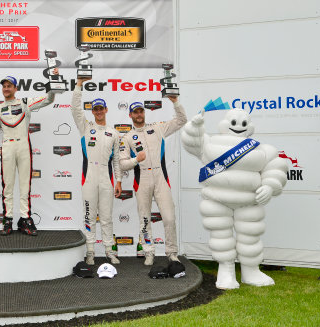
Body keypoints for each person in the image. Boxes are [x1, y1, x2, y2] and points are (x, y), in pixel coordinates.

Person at [181, 108, 288, 289]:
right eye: (234, 122)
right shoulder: (210, 144)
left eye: (244, 123)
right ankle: (226, 269)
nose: (238, 126)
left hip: (249, 200)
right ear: (224, 124)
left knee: (250, 235)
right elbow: (192, 142)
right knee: (220, 235)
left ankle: (251, 269)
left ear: (250, 126)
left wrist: (270, 185)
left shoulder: (261, 149)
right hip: (217, 199)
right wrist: (194, 126)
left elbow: (276, 167)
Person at [119, 96, 187, 266]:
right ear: (130, 115)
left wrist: (175, 102)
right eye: (135, 112)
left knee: (169, 217)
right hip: (142, 178)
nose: (139, 114)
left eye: (141, 111)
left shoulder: (158, 128)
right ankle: (149, 252)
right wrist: (136, 160)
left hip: (160, 177)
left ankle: (171, 252)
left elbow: (182, 120)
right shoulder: (127, 137)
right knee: (144, 219)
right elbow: (122, 164)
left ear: (144, 113)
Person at [0, 74, 56, 236]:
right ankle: (7, 219)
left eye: (10, 86)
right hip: (7, 147)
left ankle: (25, 219)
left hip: (23, 146)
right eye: (4, 86)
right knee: (7, 185)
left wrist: (54, 80)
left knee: (25, 186)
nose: (6, 88)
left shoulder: (25, 103)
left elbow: (48, 100)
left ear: (16, 88)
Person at [71, 76, 122, 265]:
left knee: (107, 217)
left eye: (101, 108)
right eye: (95, 109)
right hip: (89, 177)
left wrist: (118, 181)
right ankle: (90, 251)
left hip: (106, 179)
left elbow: (116, 160)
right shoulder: (86, 127)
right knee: (89, 216)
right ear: (92, 112)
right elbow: (75, 109)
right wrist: (78, 85)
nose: (99, 112)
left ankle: (109, 251)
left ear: (106, 110)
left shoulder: (114, 133)